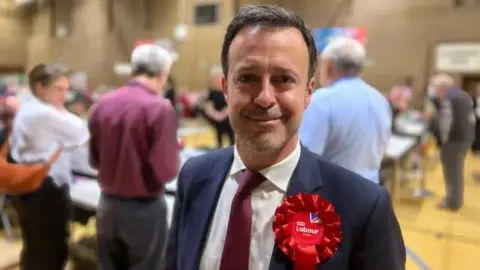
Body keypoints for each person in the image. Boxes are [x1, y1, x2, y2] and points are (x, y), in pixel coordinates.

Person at [165, 5, 405, 270]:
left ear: (308, 92)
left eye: (283, 79)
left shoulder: (365, 208)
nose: (265, 97)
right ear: (225, 88)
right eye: (247, 77)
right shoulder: (194, 177)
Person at [89, 44, 180, 270]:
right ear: (162, 75)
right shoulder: (160, 108)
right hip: (144, 211)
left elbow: (93, 160)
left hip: (107, 206)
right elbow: (167, 171)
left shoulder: (102, 104)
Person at [9, 63, 89, 270]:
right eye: (58, 89)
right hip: (44, 190)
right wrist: (64, 115)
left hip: (33, 187)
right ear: (39, 87)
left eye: (66, 89)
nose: (64, 95)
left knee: (37, 247)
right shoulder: (43, 114)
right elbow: (82, 133)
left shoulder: (30, 107)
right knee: (50, 250)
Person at [299, 37, 392, 183]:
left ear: (328, 66)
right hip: (371, 194)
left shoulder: (321, 101)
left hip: (334, 198)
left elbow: (304, 163)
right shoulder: (380, 99)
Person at [428, 74, 475, 211]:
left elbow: (446, 123)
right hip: (465, 138)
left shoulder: (449, 99)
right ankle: (454, 199)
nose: (433, 91)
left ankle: (453, 203)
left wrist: (441, 143)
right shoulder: (462, 95)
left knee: (452, 172)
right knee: (457, 170)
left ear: (441, 88)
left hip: (453, 141)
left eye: (434, 87)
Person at [204, 66, 234, 148]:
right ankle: (219, 149)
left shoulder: (229, 91)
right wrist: (216, 115)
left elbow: (231, 105)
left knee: (231, 137)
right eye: (215, 79)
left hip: (228, 119)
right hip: (217, 120)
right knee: (219, 138)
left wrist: (223, 115)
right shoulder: (212, 92)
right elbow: (208, 106)